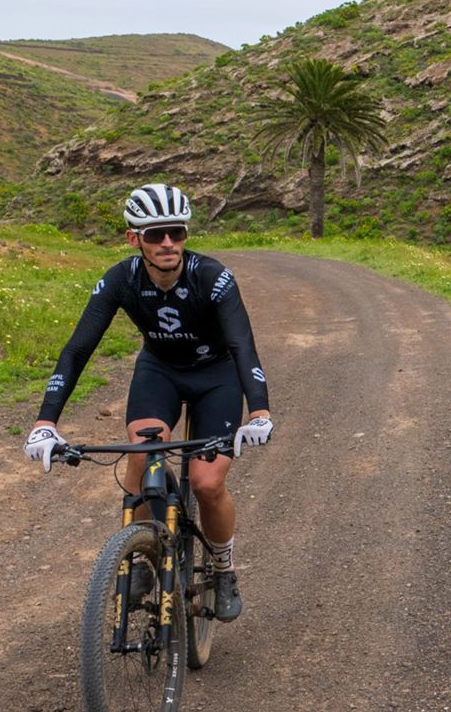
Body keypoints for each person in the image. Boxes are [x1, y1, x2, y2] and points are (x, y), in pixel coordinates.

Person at [23, 183, 272, 620]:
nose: (168, 242)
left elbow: (242, 346)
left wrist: (259, 413)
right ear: (134, 239)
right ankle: (141, 554)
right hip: (160, 371)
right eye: (156, 234)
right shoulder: (122, 279)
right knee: (141, 455)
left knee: (207, 483)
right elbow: (77, 350)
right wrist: (46, 422)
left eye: (177, 232)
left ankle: (223, 569)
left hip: (215, 376)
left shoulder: (212, 277)